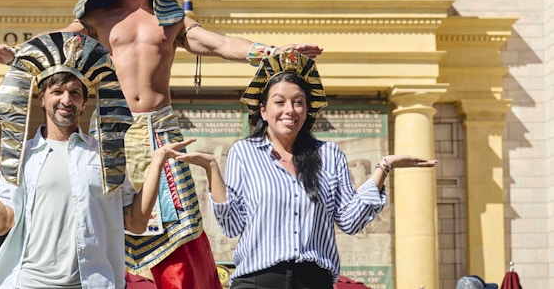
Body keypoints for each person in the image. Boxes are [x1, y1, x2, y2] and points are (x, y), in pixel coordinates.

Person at [0, 0, 323, 289]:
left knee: (179, 231)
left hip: (162, 129)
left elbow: (221, 43)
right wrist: (14, 56)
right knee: (98, 216)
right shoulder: (97, 19)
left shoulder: (172, 21)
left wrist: (274, 53)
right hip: (112, 131)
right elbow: (52, 47)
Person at [0, 32, 194, 289]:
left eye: (75, 93)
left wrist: (158, 161)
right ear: (41, 99)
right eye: (57, 91)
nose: (66, 100)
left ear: (84, 103)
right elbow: (0, 223)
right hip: (29, 283)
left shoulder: (105, 154)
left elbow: (135, 223)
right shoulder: (22, 156)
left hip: (93, 283)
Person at [177, 50, 438, 288]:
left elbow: (350, 220)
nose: (289, 110)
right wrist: (212, 168)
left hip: (314, 281)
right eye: (279, 102)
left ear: (307, 110)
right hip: (258, 281)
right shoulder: (243, 153)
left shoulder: (329, 155)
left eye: (298, 102)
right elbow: (232, 225)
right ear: (264, 111)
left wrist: (384, 167)